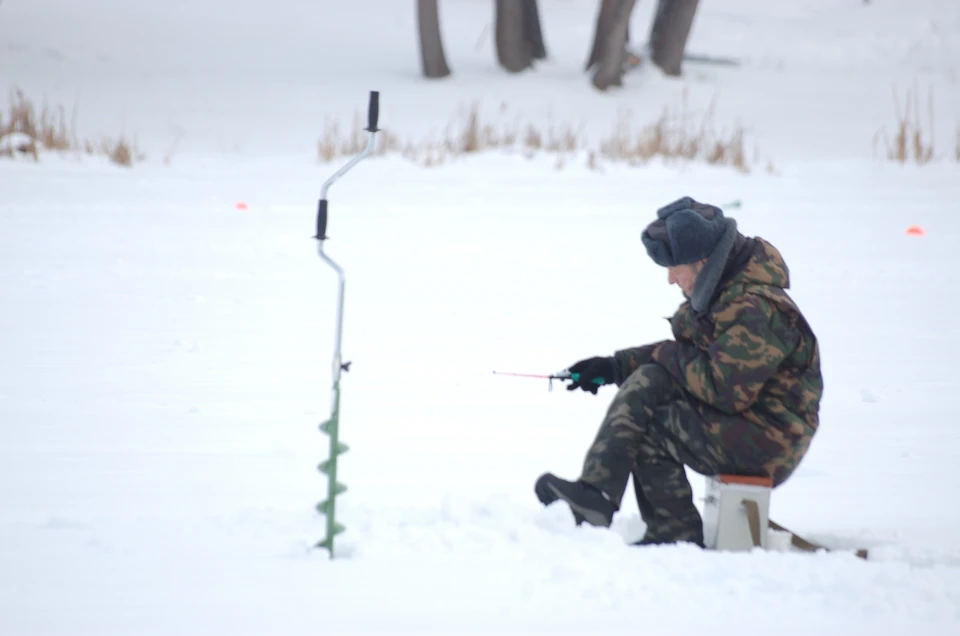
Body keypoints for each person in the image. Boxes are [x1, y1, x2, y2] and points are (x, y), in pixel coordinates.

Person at [535, 196, 823, 547]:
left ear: (702, 261)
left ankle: (650, 520)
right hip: (750, 422)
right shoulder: (726, 291)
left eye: (675, 268)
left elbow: (725, 390)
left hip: (771, 438)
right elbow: (687, 357)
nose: (671, 280)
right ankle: (603, 498)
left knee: (654, 422)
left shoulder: (753, 308)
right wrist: (613, 366)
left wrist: (661, 357)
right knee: (652, 385)